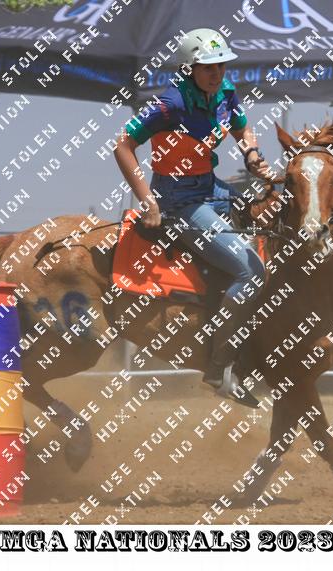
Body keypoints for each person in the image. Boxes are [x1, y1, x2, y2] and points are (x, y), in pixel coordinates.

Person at [114, 28, 274, 408]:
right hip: (178, 201)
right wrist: (148, 201)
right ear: (190, 68)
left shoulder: (225, 92)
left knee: (274, 217)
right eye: (207, 68)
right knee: (251, 272)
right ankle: (219, 369)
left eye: (220, 66)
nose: (216, 74)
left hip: (211, 187)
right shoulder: (169, 104)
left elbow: (242, 127)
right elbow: (123, 145)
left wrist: (252, 154)